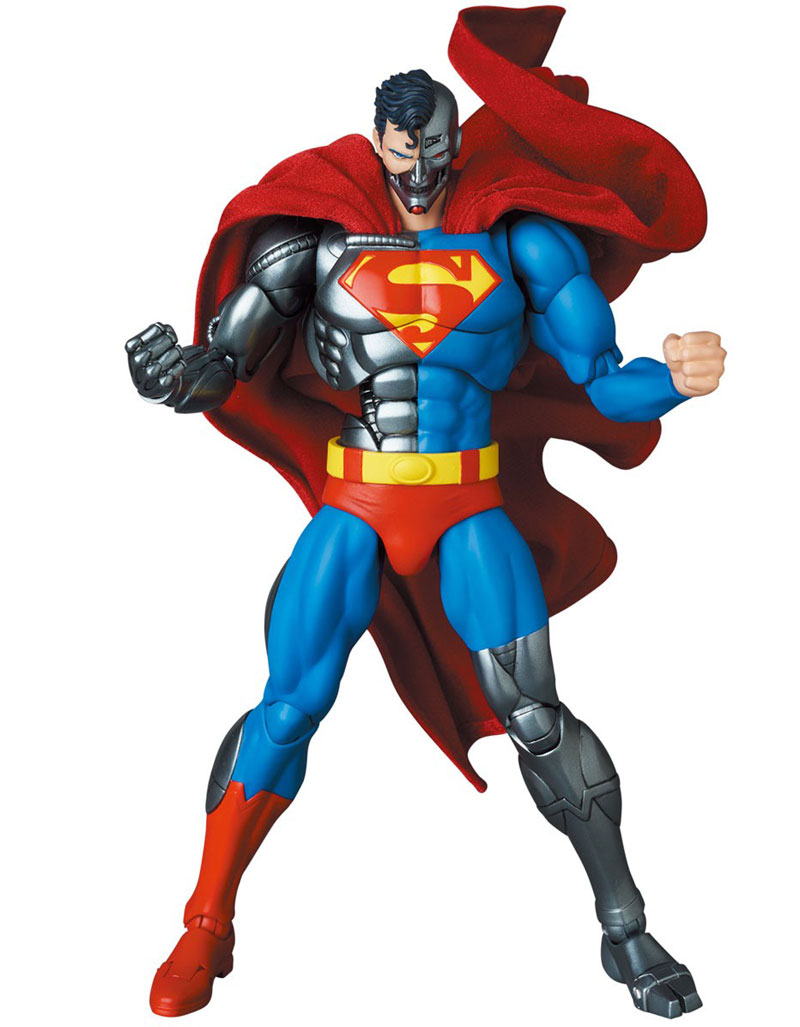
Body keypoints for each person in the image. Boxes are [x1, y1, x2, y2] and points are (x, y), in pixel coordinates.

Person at [126, 8, 725, 1019]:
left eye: (434, 149)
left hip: (467, 501)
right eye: (401, 152)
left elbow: (600, 378)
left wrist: (671, 378)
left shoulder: (521, 243)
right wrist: (172, 376)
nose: (417, 171)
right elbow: (224, 365)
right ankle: (205, 922)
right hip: (357, 499)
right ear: (379, 143)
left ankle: (624, 927)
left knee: (537, 714)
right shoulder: (312, 244)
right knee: (288, 704)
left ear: (453, 142)